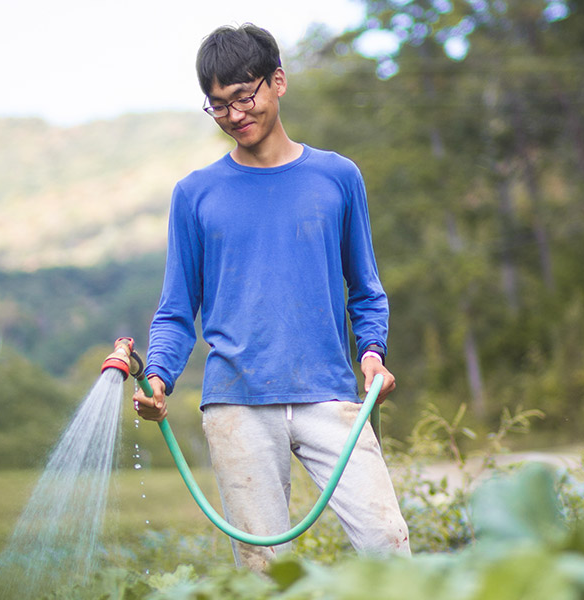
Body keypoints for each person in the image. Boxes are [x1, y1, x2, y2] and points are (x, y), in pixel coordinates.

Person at [132, 23, 410, 570]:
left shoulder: (337, 176)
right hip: (236, 403)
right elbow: (175, 310)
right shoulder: (195, 195)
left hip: (329, 395)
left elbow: (367, 290)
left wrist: (372, 355)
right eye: (218, 106)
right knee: (263, 573)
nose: (235, 115)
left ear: (277, 81)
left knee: (389, 543)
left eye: (243, 96)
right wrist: (158, 376)